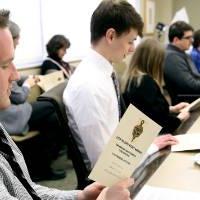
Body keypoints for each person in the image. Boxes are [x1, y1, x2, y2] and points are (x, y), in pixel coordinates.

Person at [0, 8, 134, 200]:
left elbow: (27, 191)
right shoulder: (89, 83)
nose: (15, 75)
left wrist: (79, 197)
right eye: (5, 65)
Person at [63, 0, 177, 170]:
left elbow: (115, 133)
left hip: (124, 157)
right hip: (111, 180)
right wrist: (151, 147)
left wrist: (145, 143)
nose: (132, 49)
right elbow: (106, 165)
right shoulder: (90, 86)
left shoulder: (103, 73)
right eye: (130, 41)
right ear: (110, 36)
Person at [0, 19, 67, 181]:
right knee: (53, 105)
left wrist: (28, 78)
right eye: (4, 65)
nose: (15, 74)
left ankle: (41, 166)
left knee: (53, 120)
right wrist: (28, 84)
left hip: (19, 112)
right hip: (16, 114)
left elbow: (16, 79)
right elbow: (19, 96)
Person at [122, 38, 190, 134]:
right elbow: (161, 123)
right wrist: (180, 118)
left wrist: (172, 109)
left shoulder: (132, 79)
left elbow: (147, 109)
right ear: (155, 61)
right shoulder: (146, 83)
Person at [164, 21, 200, 104]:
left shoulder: (181, 53)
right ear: (176, 40)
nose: (192, 41)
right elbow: (190, 86)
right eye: (188, 38)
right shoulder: (172, 57)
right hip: (187, 102)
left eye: (192, 37)